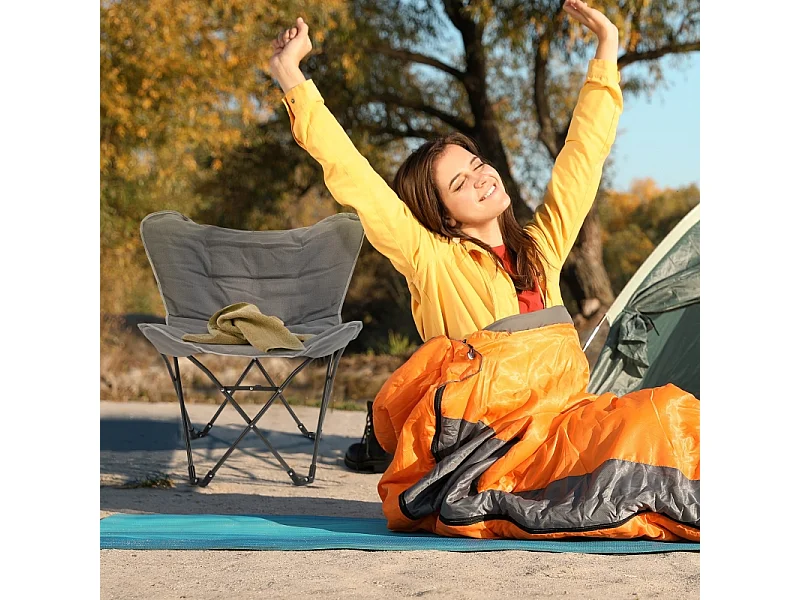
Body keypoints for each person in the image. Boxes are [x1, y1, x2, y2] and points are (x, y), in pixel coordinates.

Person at [270, 0, 622, 473]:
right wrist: (292, 78)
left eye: (476, 165)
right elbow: (355, 176)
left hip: (555, 428)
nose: (481, 178)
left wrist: (606, 49)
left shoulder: (542, 249)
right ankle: (390, 425)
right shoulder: (431, 260)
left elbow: (583, 157)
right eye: (459, 183)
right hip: (485, 447)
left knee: (663, 423)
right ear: (444, 217)